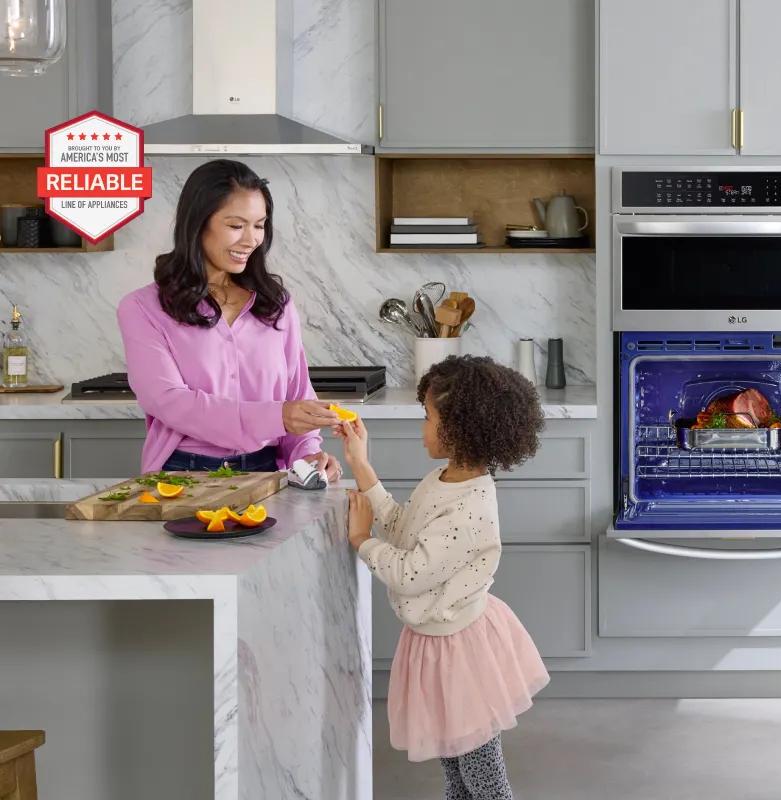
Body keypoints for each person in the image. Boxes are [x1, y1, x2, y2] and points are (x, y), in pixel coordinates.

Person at [339, 355, 550, 800]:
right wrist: (361, 465)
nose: (423, 429)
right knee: (456, 771)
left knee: (481, 775)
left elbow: (409, 572)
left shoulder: (469, 508)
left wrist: (361, 540)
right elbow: (404, 530)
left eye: (428, 417)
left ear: (460, 427)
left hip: (461, 653)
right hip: (438, 644)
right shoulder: (444, 479)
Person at [116, 158, 343, 478]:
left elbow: (297, 394)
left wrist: (309, 453)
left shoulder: (276, 304)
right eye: (236, 225)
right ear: (198, 223)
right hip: (183, 473)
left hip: (267, 471)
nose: (251, 239)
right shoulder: (143, 308)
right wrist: (277, 417)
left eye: (259, 225)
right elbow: (169, 402)